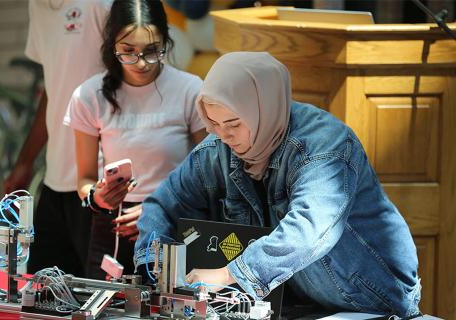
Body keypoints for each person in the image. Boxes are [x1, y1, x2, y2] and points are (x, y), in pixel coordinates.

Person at [135, 52, 421, 317]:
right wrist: (157, 266)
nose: (223, 136)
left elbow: (308, 229)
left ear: (264, 108)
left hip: (369, 298)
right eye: (214, 123)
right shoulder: (217, 148)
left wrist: (228, 274)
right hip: (294, 302)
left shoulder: (325, 147)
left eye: (233, 124)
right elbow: (164, 204)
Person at [64, 0, 207, 279]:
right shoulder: (89, 95)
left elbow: (208, 176)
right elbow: (84, 179)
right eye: (128, 52)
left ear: (167, 41)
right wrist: (98, 196)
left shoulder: (190, 89)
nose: (141, 63)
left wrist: (159, 208)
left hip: (174, 221)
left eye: (152, 51)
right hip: (113, 228)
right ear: (112, 45)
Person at [3, 0, 112, 276]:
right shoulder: (37, 7)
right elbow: (55, 87)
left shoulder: (101, 4)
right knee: (43, 294)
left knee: (102, 298)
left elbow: (133, 76)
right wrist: (25, 162)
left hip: (99, 183)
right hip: (56, 178)